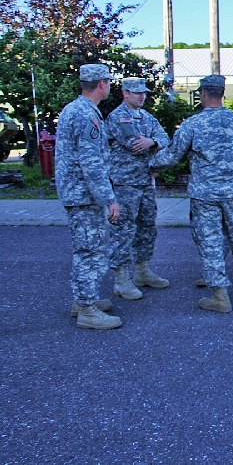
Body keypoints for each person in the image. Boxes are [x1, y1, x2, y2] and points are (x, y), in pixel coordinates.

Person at [151, 75, 233, 313]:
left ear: (202, 93)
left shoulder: (192, 124)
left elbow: (171, 156)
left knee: (211, 242)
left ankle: (220, 296)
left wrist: (150, 165)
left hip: (205, 195)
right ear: (223, 93)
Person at [54, 64, 122, 329]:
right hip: (84, 195)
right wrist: (109, 198)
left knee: (87, 248)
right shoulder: (85, 114)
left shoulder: (76, 109)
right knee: (90, 251)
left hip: (79, 193)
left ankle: (84, 299)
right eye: (108, 82)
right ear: (102, 84)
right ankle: (87, 310)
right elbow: (90, 161)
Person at [105, 77, 171, 301]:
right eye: (137, 93)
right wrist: (150, 143)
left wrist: (151, 142)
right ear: (125, 93)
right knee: (123, 230)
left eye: (144, 92)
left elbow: (165, 139)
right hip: (125, 183)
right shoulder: (118, 117)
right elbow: (133, 143)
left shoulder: (147, 117)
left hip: (146, 182)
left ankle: (142, 271)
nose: (142, 96)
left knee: (147, 227)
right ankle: (121, 279)